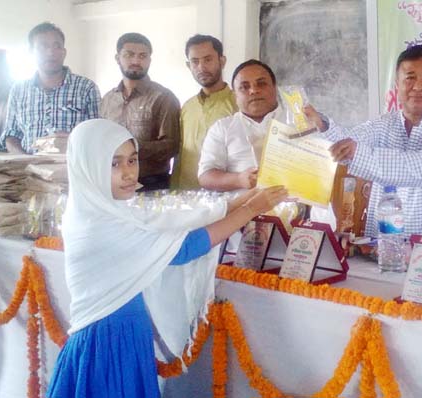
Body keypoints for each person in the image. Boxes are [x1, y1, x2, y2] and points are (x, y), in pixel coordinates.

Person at [46, 119, 286, 396]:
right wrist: (250, 209)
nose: (127, 173)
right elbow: (183, 248)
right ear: (88, 166)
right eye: (114, 163)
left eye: (132, 160)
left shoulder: (107, 210)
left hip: (124, 332)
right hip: (107, 342)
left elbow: (168, 220)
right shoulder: (99, 224)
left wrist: (240, 200)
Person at [305, 44, 422, 239]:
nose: (418, 87)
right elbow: (348, 140)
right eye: (409, 78)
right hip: (382, 248)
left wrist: (356, 153)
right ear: (397, 85)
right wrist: (323, 125)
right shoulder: (384, 124)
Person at [2, 22, 100, 154]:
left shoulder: (86, 88)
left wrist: (72, 141)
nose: (51, 52)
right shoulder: (18, 91)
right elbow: (11, 134)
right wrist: (25, 161)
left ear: (64, 52)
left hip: (72, 169)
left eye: (57, 46)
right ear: (31, 52)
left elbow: (97, 134)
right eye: (43, 47)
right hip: (27, 170)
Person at [101, 33, 180, 191]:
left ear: (149, 60)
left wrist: (130, 149)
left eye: (142, 56)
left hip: (152, 184)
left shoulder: (163, 97)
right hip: (112, 183)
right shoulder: (108, 99)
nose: (136, 61)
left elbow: (172, 146)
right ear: (117, 58)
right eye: (129, 55)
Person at [197, 59, 284, 192]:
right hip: (242, 210)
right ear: (235, 95)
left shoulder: (298, 122)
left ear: (274, 87)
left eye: (261, 84)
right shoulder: (222, 128)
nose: (254, 90)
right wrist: (239, 179)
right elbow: (205, 176)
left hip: (295, 209)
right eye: (244, 87)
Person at [171, 34, 237, 190]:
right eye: (195, 61)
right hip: (188, 197)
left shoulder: (238, 105)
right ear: (188, 66)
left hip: (226, 199)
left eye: (208, 59)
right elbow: (181, 154)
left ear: (222, 61)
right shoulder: (187, 107)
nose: (201, 67)